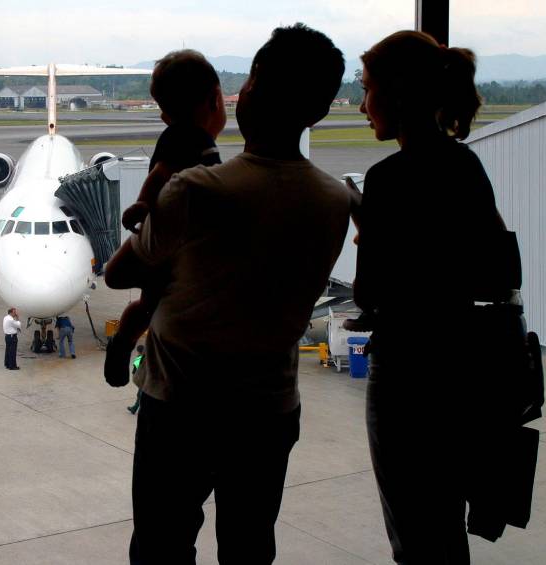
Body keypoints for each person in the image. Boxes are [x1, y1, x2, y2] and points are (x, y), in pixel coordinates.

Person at [105, 23, 349, 565]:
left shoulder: (195, 190)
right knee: (249, 548)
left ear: (246, 93)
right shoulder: (336, 202)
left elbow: (119, 274)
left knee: (161, 549)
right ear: (321, 112)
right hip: (268, 412)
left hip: (180, 409)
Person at [354, 31, 506, 564]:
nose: (362, 103)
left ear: (395, 95)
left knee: (415, 538)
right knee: (443, 533)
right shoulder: (465, 166)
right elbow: (496, 274)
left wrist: (371, 234)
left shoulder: (388, 179)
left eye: (368, 88)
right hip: (463, 376)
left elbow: (371, 294)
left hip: (407, 379)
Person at [104, 49, 227, 386]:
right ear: (214, 99)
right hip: (171, 231)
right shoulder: (189, 137)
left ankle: (122, 343)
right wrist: (143, 203)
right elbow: (161, 173)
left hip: (171, 234)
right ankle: (123, 342)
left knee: (147, 303)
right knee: (150, 301)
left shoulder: (180, 134)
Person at [126, 344, 145, 415]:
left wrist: (135, 379)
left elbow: (134, 371)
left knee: (140, 395)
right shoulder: (148, 357)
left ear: (138, 351)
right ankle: (134, 408)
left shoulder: (138, 358)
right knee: (140, 394)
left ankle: (135, 409)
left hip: (143, 380)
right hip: (147, 379)